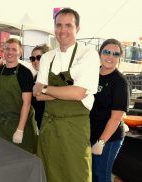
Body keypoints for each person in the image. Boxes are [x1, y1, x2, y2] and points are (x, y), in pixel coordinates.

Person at [33, 8, 100, 181]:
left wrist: (47, 88)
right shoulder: (47, 57)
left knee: (77, 174)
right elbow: (37, 95)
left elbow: (77, 93)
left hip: (74, 129)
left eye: (68, 25)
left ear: (77, 28)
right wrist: (67, 92)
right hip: (49, 128)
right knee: (48, 173)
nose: (63, 30)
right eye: (59, 25)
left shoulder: (88, 55)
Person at [0, 38, 38, 153]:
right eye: (7, 49)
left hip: (21, 122)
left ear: (20, 53)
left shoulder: (25, 73)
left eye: (13, 49)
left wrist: (20, 130)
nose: (10, 52)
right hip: (1, 123)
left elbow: (26, 103)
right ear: (3, 51)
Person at [90, 39, 129, 182]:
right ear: (100, 53)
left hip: (108, 138)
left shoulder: (119, 82)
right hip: (90, 133)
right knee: (91, 174)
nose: (110, 56)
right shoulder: (92, 74)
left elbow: (116, 118)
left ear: (119, 58)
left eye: (115, 54)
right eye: (107, 52)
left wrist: (101, 142)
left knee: (100, 175)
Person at [30, 44, 50, 129]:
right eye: (32, 58)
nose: (35, 61)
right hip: (38, 122)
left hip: (50, 123)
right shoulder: (35, 77)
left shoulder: (53, 77)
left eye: (39, 58)